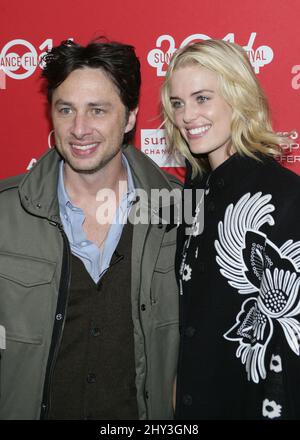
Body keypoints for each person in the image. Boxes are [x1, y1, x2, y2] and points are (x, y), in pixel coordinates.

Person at [0, 38, 181, 420]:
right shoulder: (5, 212)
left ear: (130, 117)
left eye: (97, 110)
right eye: (66, 110)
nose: (79, 129)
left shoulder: (178, 211)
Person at [161, 38, 300, 420]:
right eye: (177, 103)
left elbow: (291, 343)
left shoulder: (287, 199)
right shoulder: (189, 196)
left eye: (202, 98)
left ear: (238, 97)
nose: (187, 115)